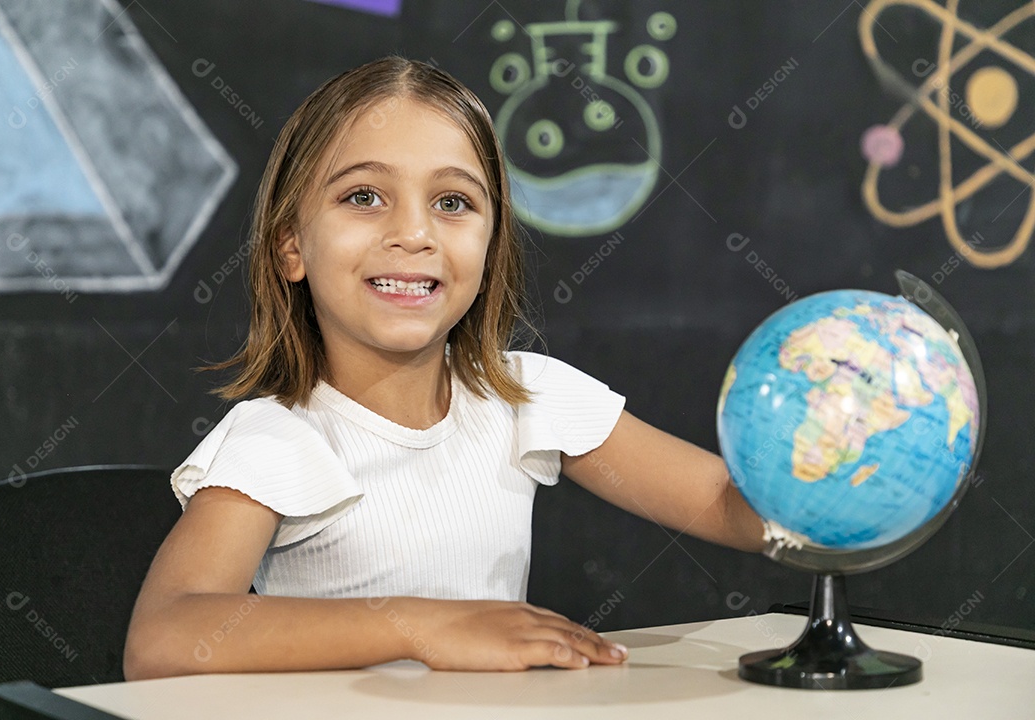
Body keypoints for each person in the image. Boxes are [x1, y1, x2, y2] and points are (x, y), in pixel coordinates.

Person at [123, 56, 766, 680]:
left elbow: (731, 507)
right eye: (365, 196)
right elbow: (165, 637)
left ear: (491, 244)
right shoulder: (277, 437)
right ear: (291, 244)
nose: (414, 233)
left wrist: (844, 496)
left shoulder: (528, 397)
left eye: (453, 203)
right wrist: (425, 628)